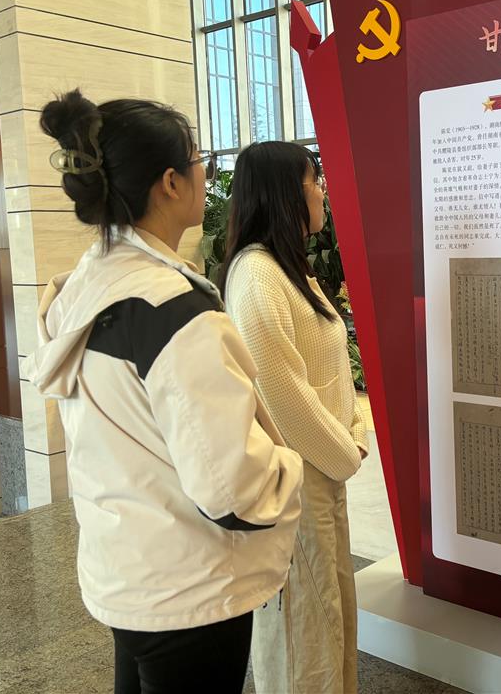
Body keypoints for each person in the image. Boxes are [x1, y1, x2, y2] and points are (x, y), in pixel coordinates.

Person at [23, 90, 303, 694]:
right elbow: (232, 488)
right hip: (191, 587)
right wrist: (289, 468)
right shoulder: (172, 311)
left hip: (127, 571)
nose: (207, 174)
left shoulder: (86, 288)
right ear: (170, 183)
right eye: (199, 160)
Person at [222, 141, 368, 694]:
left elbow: (328, 373)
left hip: (321, 474)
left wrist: (353, 432)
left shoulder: (288, 268)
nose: (322, 191)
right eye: (314, 180)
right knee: (305, 627)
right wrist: (346, 451)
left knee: (329, 614)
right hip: (299, 479)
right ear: (284, 193)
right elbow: (283, 396)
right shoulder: (257, 276)